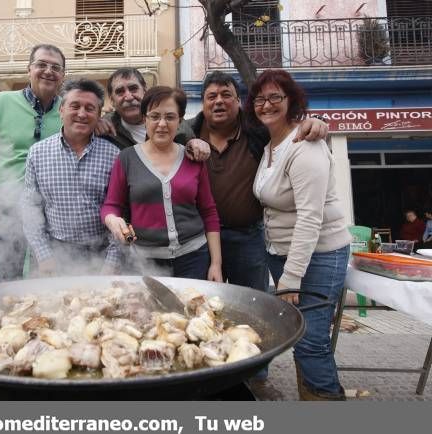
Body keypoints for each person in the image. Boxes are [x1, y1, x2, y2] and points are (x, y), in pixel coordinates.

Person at [246, 69, 351, 400]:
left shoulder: (305, 146)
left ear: (291, 101)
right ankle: (311, 396)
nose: (267, 105)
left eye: (276, 97)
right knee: (301, 336)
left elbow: (310, 217)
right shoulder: (270, 147)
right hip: (282, 253)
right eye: (260, 99)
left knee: (311, 340)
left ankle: (325, 402)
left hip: (319, 254)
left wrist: (290, 277)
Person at [188, 71, 329, 292]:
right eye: (211, 96)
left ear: (238, 101)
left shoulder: (258, 131)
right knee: (205, 303)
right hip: (203, 240)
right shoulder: (189, 132)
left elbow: (288, 128)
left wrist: (315, 121)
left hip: (249, 239)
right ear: (203, 103)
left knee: (251, 307)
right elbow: (164, 130)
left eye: (226, 95)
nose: (218, 101)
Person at [0, 43, 66, 280]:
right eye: (41, 65)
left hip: (53, 211)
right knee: (7, 279)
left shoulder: (68, 110)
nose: (48, 71)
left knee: (48, 279)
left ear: (63, 76)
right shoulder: (0, 102)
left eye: (56, 67)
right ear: (28, 69)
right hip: (10, 208)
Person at [101, 86, 222, 281]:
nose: (162, 124)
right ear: (144, 119)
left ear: (180, 121)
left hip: (194, 257)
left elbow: (209, 212)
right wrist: (112, 220)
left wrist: (216, 263)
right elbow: (111, 205)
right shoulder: (126, 159)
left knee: (194, 310)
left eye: (170, 117)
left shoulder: (193, 158)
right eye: (155, 116)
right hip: (146, 262)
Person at [22, 79, 121, 275]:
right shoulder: (37, 153)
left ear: (99, 114)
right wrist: (43, 254)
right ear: (61, 110)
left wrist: (112, 261)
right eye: (75, 106)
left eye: (90, 108)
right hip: (56, 253)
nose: (82, 114)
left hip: (100, 255)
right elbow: (31, 209)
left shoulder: (114, 155)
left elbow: (120, 211)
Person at [100, 67, 210, 160]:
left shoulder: (176, 125)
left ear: (145, 91)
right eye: (120, 92)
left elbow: (191, 141)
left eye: (133, 89)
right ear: (112, 100)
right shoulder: (104, 128)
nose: (128, 97)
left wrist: (196, 143)